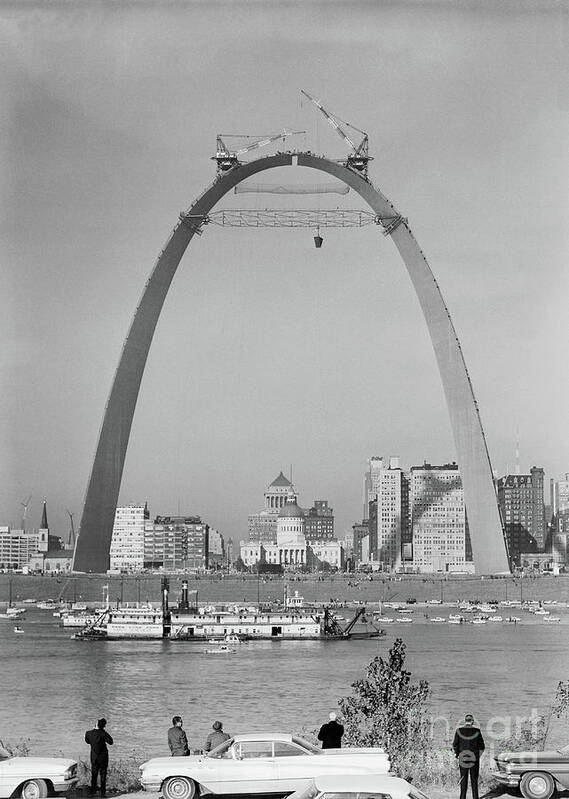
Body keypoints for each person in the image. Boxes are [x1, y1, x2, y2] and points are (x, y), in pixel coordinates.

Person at [453, 714, 485, 799]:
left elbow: (455, 745)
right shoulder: (477, 731)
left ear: (465, 721)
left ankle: (462, 797)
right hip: (474, 758)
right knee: (474, 780)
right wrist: (478, 756)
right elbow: (482, 746)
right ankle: (475, 797)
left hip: (463, 758)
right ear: (472, 721)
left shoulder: (459, 731)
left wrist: (457, 755)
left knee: (463, 779)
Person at [85, 718, 113, 797]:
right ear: (103, 726)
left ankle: (92, 792)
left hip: (94, 757)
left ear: (96, 725)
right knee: (103, 775)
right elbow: (111, 742)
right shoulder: (103, 733)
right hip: (103, 757)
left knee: (94, 774)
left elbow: (87, 741)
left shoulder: (88, 733)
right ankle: (102, 793)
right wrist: (104, 732)